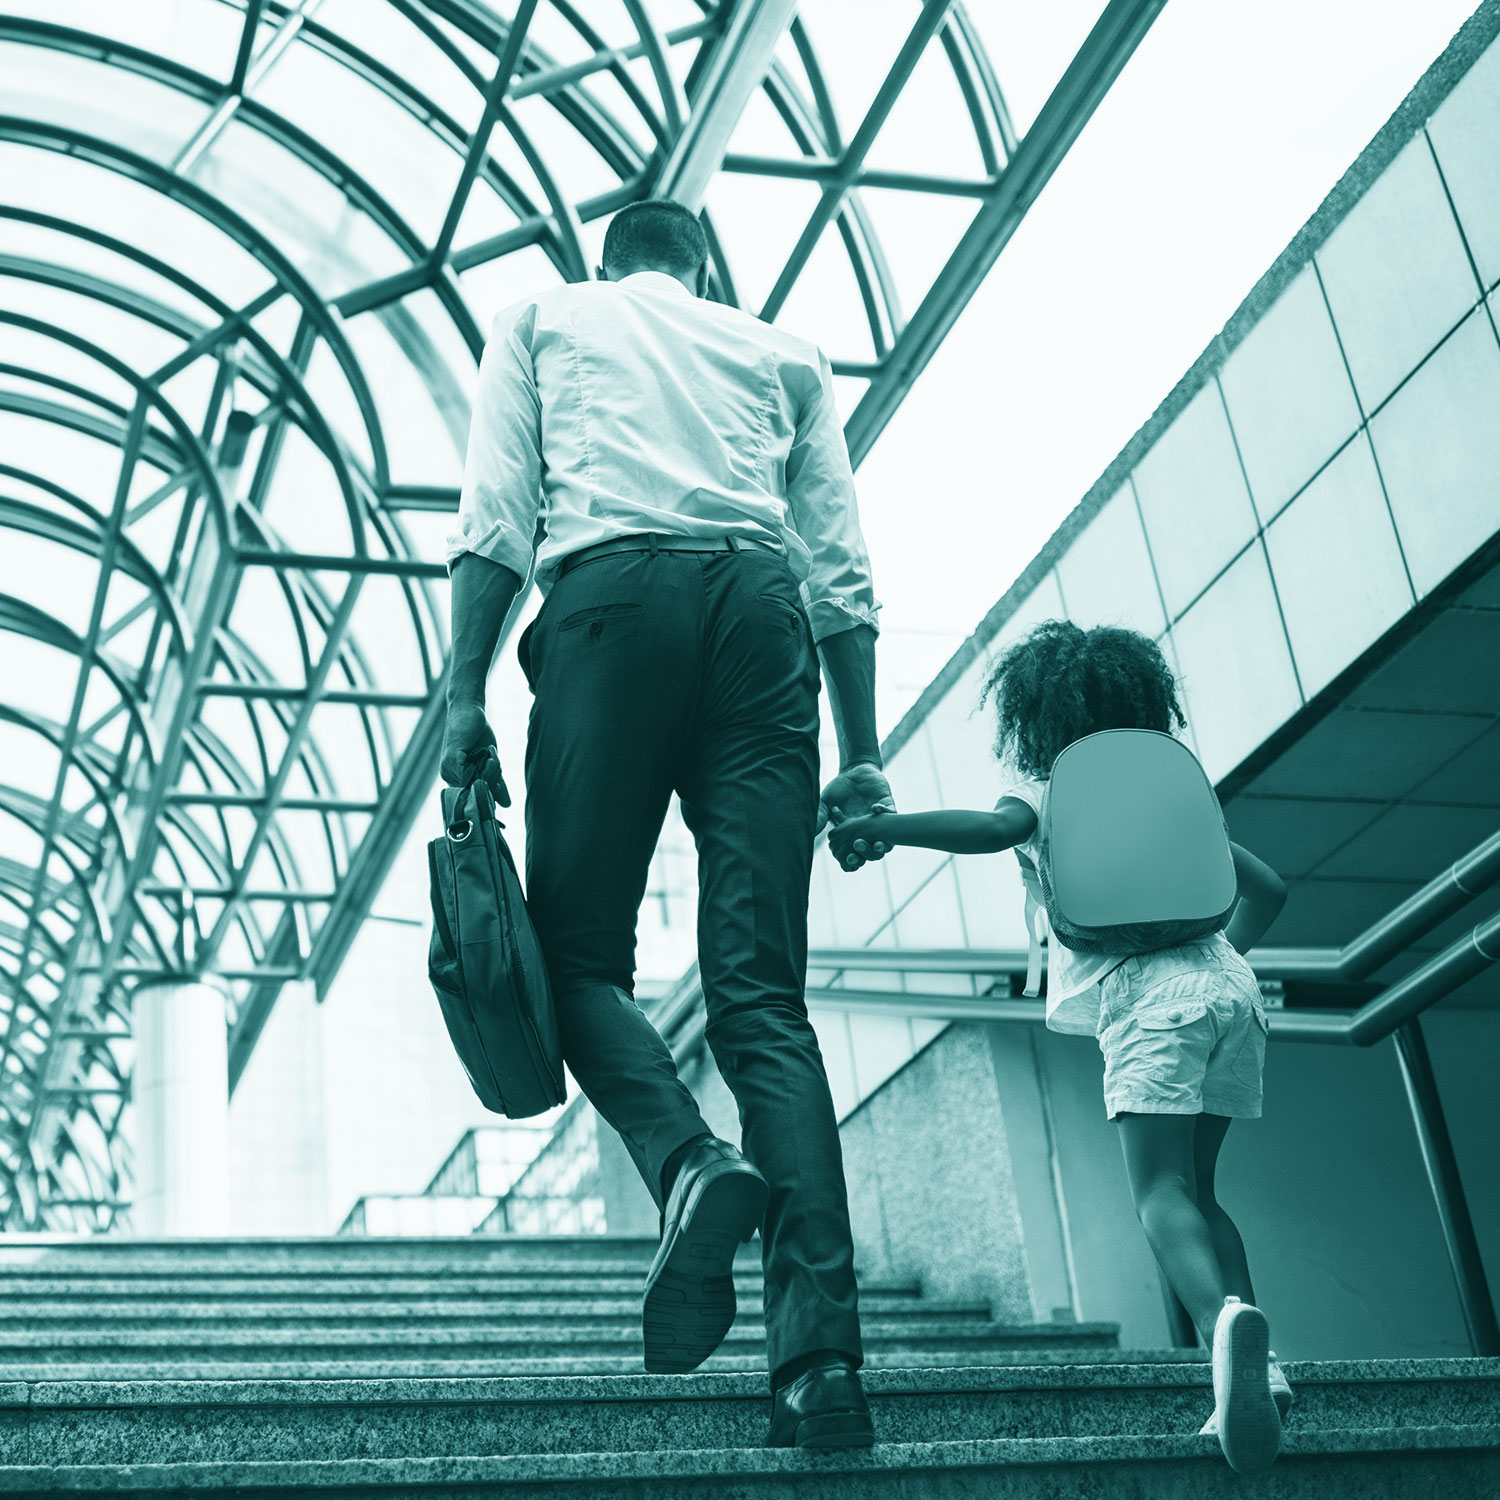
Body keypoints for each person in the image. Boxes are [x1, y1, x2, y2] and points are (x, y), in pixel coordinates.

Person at [440, 199, 893, 1448]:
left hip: (610, 608)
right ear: (703, 270)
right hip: (761, 622)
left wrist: (463, 696)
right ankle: (820, 1373)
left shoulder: (542, 317)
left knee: (572, 962)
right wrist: (863, 761)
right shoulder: (782, 351)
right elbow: (838, 566)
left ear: (611, 262)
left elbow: (495, 520)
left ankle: (688, 1164)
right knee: (764, 1004)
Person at [828, 619, 1293, 1475]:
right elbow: (1267, 889)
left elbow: (990, 825)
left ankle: (1227, 1346)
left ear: (1033, 716)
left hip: (1149, 1002)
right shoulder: (1169, 801)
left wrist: (889, 829)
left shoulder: (1049, 790)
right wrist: (1214, 969)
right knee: (1203, 1194)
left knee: (1158, 1195)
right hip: (1230, 990)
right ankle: (1261, 1365)